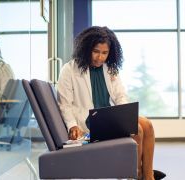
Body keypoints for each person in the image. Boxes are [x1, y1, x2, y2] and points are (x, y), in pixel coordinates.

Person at [56, 26, 165, 180]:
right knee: (138, 129)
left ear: (110, 53)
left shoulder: (110, 69)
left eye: (104, 53)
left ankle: (148, 176)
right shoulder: (69, 69)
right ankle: (135, 174)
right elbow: (64, 103)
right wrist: (72, 125)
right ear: (86, 49)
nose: (100, 57)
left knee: (147, 124)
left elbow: (120, 96)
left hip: (108, 119)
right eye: (96, 51)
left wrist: (125, 115)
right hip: (89, 123)